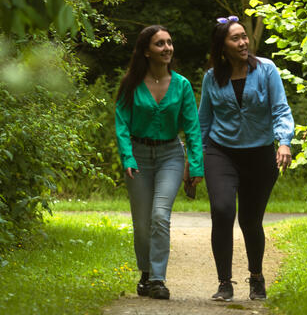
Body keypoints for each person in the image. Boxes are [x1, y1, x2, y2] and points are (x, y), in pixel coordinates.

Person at [197, 15, 295, 301]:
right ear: (222, 46)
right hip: (221, 152)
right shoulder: (211, 77)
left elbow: (280, 109)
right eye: (235, 38)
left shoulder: (266, 70)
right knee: (223, 210)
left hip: (259, 154)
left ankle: (256, 277)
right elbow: (204, 121)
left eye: (244, 37)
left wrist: (284, 142)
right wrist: (196, 161)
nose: (243, 42)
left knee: (251, 221)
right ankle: (224, 283)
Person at [114, 25, 205, 300]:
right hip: (139, 158)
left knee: (159, 216)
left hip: (170, 156)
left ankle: (157, 279)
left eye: (169, 42)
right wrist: (127, 156)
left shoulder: (182, 85)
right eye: (159, 44)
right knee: (141, 223)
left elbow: (192, 128)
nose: (167, 48)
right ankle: (144, 272)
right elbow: (121, 124)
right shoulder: (130, 83)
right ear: (146, 51)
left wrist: (196, 165)